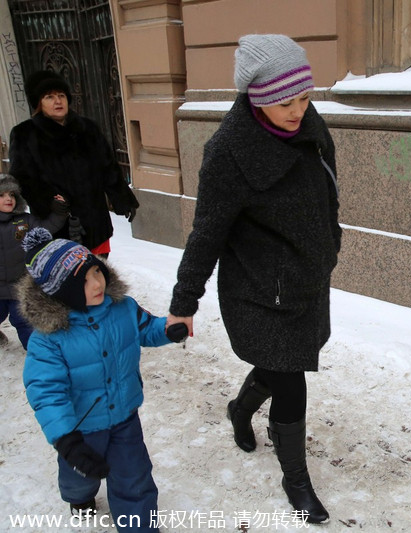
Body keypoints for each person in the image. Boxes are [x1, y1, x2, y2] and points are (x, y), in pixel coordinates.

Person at [166, 34, 341, 524]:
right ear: (258, 97)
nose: (298, 110)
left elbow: (328, 187)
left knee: (281, 364)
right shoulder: (229, 151)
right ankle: (296, 479)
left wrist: (331, 240)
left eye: (304, 97)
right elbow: (207, 233)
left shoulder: (308, 122)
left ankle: (240, 409)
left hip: (306, 278)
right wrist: (184, 302)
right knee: (290, 380)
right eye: (286, 102)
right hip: (260, 290)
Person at [18, 228, 188, 530]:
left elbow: (146, 328)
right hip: (81, 426)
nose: (97, 283)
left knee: (134, 476)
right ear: (61, 291)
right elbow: (46, 391)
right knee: (79, 475)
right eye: (83, 280)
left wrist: (167, 330)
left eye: (96, 271)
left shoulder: (123, 307)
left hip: (124, 416)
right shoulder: (49, 338)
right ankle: (78, 496)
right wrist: (66, 440)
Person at [9, 70, 138, 257]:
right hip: (57, 225)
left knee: (98, 270)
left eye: (61, 95)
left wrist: (122, 198)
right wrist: (48, 201)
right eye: (49, 97)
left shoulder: (87, 128)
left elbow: (107, 167)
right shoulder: (25, 134)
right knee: (67, 273)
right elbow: (22, 179)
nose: (58, 101)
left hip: (95, 223)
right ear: (39, 103)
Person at [0, 174, 68, 350]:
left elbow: (46, 228)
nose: (8, 199)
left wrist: (59, 211)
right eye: (2, 195)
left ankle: (35, 351)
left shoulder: (24, 220)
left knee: (23, 321)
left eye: (12, 194)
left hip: (18, 285)